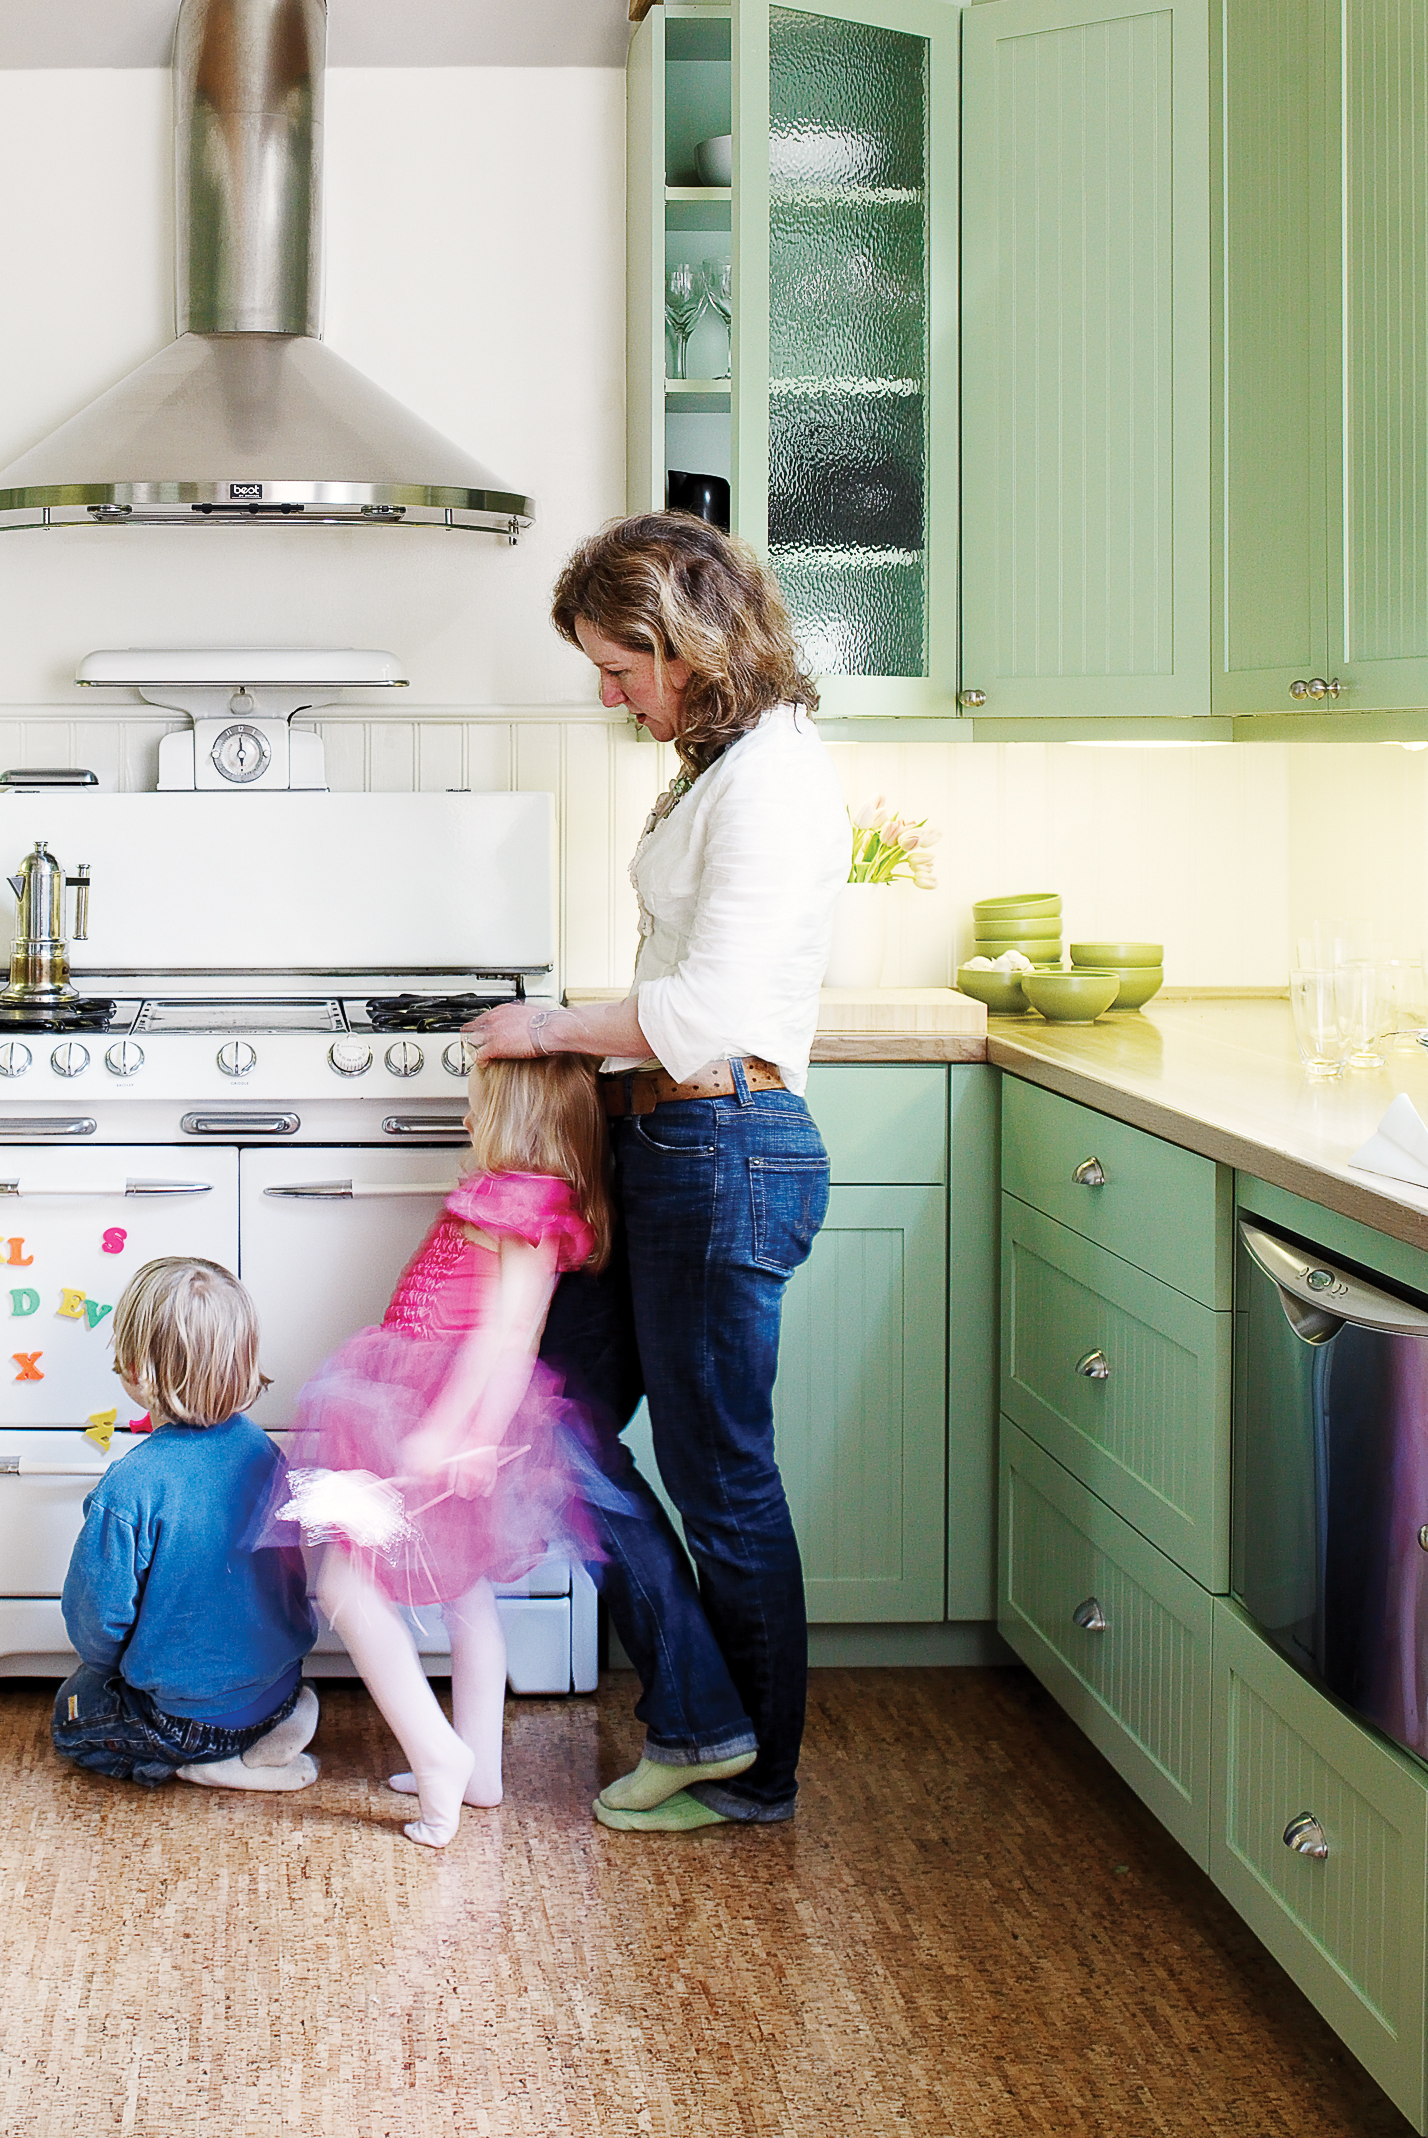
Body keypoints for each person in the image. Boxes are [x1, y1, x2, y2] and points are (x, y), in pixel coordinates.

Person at [466, 511, 848, 1834]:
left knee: (722, 1476)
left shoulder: (772, 780)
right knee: (546, 1409)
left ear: (687, 643)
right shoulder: (721, 760)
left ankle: (752, 1773)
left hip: (725, 1145)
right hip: (671, 1146)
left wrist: (549, 1029)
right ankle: (702, 1717)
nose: (615, 698)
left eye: (623, 671)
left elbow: (708, 1007)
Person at [274, 1055, 610, 1849]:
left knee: (343, 1584)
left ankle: (437, 1760)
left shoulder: (509, 1203)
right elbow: (518, 1334)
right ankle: (481, 1769)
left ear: (513, 1121)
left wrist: (455, 1432)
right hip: (449, 1410)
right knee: (463, 1594)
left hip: (424, 1408)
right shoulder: (542, 1203)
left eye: (477, 1107)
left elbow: (502, 1333)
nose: (467, 1121)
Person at [51, 1256, 321, 1794]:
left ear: (136, 1372)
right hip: (280, 1682)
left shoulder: (129, 1487)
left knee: (72, 1715)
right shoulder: (265, 1451)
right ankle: (274, 1725)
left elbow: (96, 1626)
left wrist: (110, 1667)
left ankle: (205, 1763)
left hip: (188, 1721)